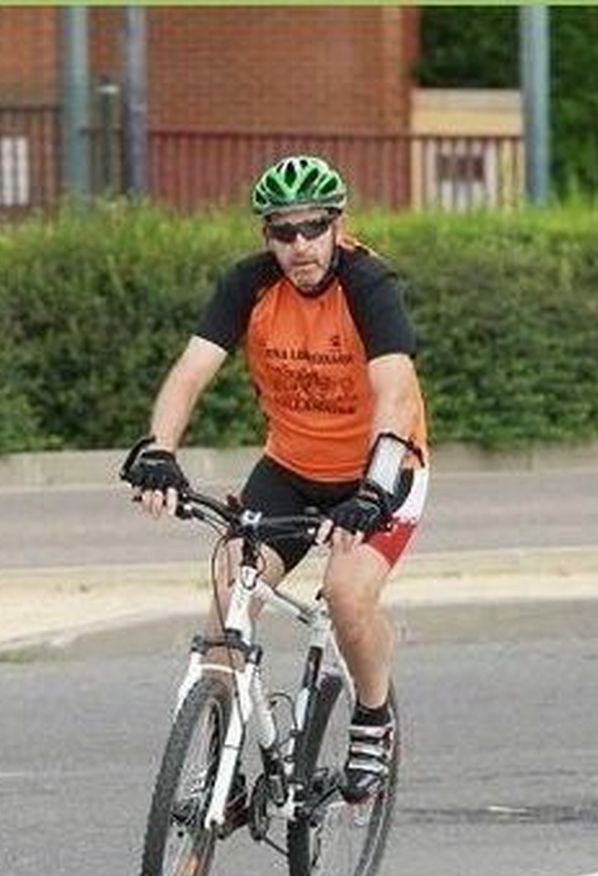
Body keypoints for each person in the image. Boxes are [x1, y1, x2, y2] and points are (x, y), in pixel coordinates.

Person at [124, 154, 429, 802]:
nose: (299, 246)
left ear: (338, 226)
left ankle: (373, 715)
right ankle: (222, 767)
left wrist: (372, 490)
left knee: (347, 596)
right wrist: (159, 450)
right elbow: (189, 373)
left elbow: (396, 395)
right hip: (290, 468)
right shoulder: (250, 285)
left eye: (313, 228)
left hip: (381, 471)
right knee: (229, 600)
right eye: (282, 232)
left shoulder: (369, 285)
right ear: (266, 236)